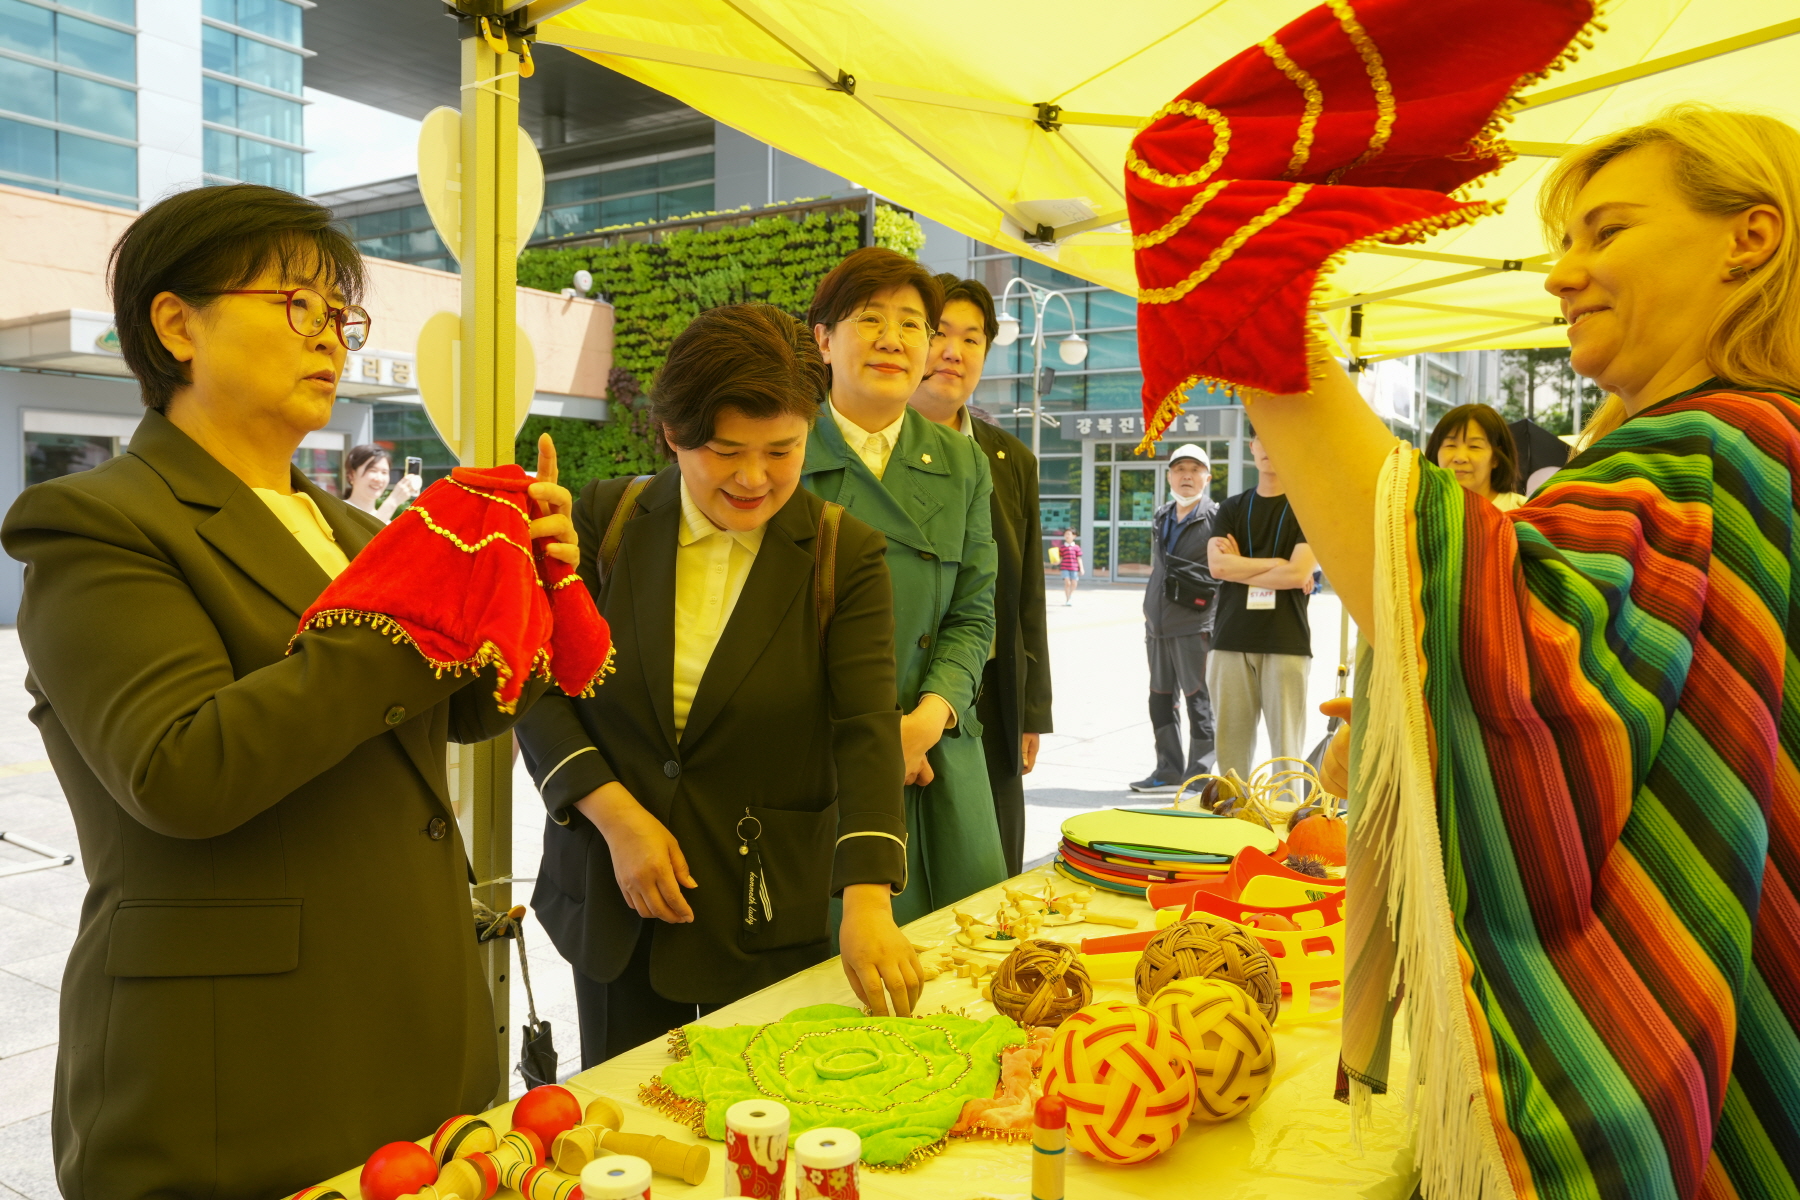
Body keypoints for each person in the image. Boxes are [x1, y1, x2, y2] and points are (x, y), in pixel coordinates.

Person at [1247, 105, 1800, 1197]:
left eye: (1605, 232)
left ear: (1753, 237)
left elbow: (1504, 662)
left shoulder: (1711, 445)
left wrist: (1263, 325)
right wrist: (1415, 716)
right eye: (1562, 242)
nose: (1562, 274)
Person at [0, 183, 577, 1199]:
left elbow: (457, 712)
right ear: (176, 324)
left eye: (342, 317)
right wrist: (421, 612)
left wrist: (512, 588)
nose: (333, 341)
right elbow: (182, 768)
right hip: (237, 1063)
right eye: (297, 305)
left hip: (416, 1018)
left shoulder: (358, 536)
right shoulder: (94, 522)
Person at [514, 303, 918, 1066]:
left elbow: (866, 727)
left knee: (758, 1118)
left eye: (782, 450)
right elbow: (536, 686)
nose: (753, 478)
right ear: (673, 434)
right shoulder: (604, 520)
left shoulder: (845, 554)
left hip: (760, 899)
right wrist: (618, 818)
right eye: (726, 451)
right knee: (625, 1125)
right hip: (613, 888)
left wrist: (867, 896)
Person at [802, 247, 1006, 923]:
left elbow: (976, 612)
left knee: (960, 970)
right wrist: (871, 743)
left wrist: (923, 722)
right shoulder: (785, 450)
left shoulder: (963, 461)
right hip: (821, 763)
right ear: (824, 339)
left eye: (913, 324)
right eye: (869, 319)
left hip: (938, 751)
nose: (893, 339)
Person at [909, 273, 1052, 877]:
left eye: (972, 339)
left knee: (989, 856)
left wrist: (1032, 712)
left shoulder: (1009, 458)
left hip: (991, 691)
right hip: (903, 692)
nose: (953, 351)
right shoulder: (876, 445)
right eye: (940, 333)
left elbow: (1026, 596)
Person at [1205, 433, 1316, 790]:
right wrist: (1278, 563)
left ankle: (1286, 837)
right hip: (1230, 639)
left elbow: (1299, 573)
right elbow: (1218, 568)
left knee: (1287, 757)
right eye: (1260, 438)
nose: (1269, 446)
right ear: (1251, 447)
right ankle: (1232, 833)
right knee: (1230, 760)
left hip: (1286, 640)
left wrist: (1243, 564)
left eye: (1276, 437)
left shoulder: (1308, 508)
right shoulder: (1231, 508)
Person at [1131, 444, 1218, 792]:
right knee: (1160, 696)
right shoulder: (1162, 515)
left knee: (1199, 698)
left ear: (1207, 477)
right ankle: (1167, 769)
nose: (1186, 475)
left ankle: (1199, 774)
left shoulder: (1216, 517)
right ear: (1169, 475)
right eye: (1179, 468)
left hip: (1195, 625)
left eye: (1195, 469)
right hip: (1157, 625)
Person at [1423, 403, 1526, 510]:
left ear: (1496, 458)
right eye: (1451, 445)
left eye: (1474, 446)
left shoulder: (1523, 511)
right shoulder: (1418, 512)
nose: (1460, 458)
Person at [344, 442, 421, 520]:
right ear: (352, 474)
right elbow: (368, 531)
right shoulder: (339, 511)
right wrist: (393, 501)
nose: (379, 479)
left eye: (384, 472)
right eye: (373, 470)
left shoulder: (387, 521)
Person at [1056, 528, 1082, 603]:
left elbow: (1079, 558)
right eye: (1065, 534)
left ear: (1074, 536)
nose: (1067, 536)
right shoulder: (1062, 547)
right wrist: (1056, 562)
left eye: (1069, 534)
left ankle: (1070, 595)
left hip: (1074, 568)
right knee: (1068, 583)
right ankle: (1067, 599)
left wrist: (1081, 568)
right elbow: (1060, 558)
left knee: (1074, 584)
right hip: (1064, 567)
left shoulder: (1076, 547)